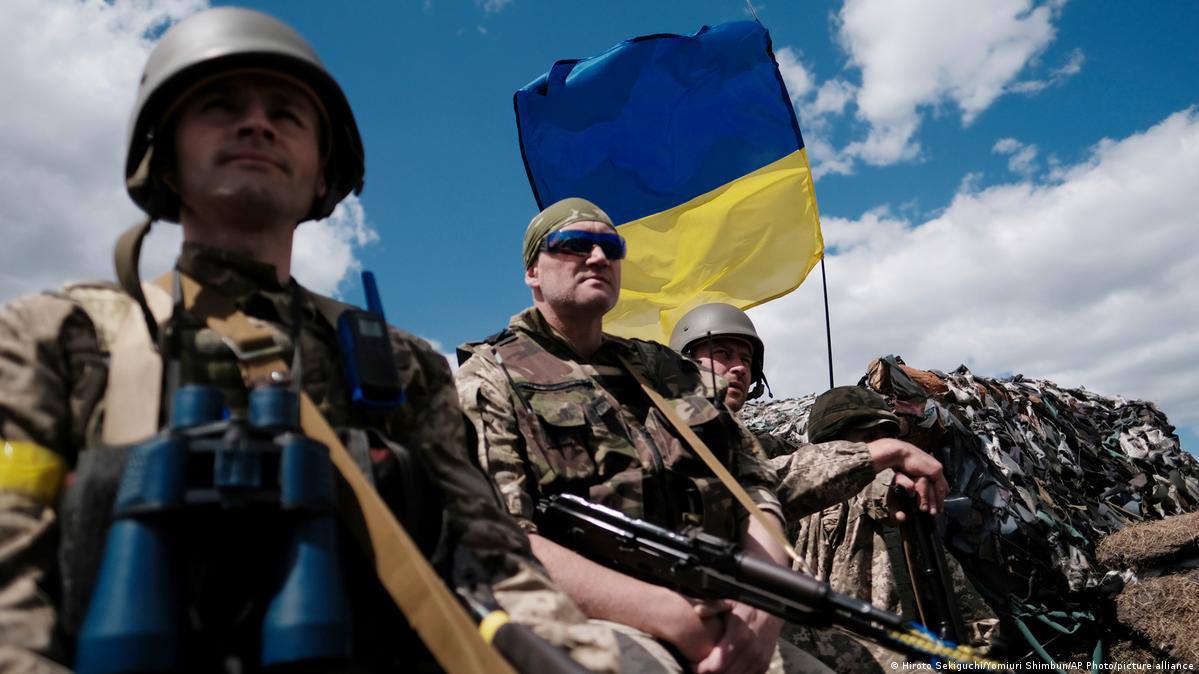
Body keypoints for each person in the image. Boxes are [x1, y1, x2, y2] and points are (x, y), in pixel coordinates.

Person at [0, 8, 616, 672]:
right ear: (166, 157)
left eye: (287, 115)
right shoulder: (58, 336)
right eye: (219, 106)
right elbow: (10, 577)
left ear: (325, 171)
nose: (256, 124)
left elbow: (494, 565)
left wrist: (578, 660)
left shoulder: (402, 365)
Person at [455, 198, 833, 674]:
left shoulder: (669, 372)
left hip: (721, 605)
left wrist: (764, 596)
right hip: (587, 617)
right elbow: (500, 534)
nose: (598, 257)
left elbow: (752, 483)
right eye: (575, 244)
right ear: (533, 271)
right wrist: (665, 613)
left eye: (611, 247)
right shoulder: (491, 378)